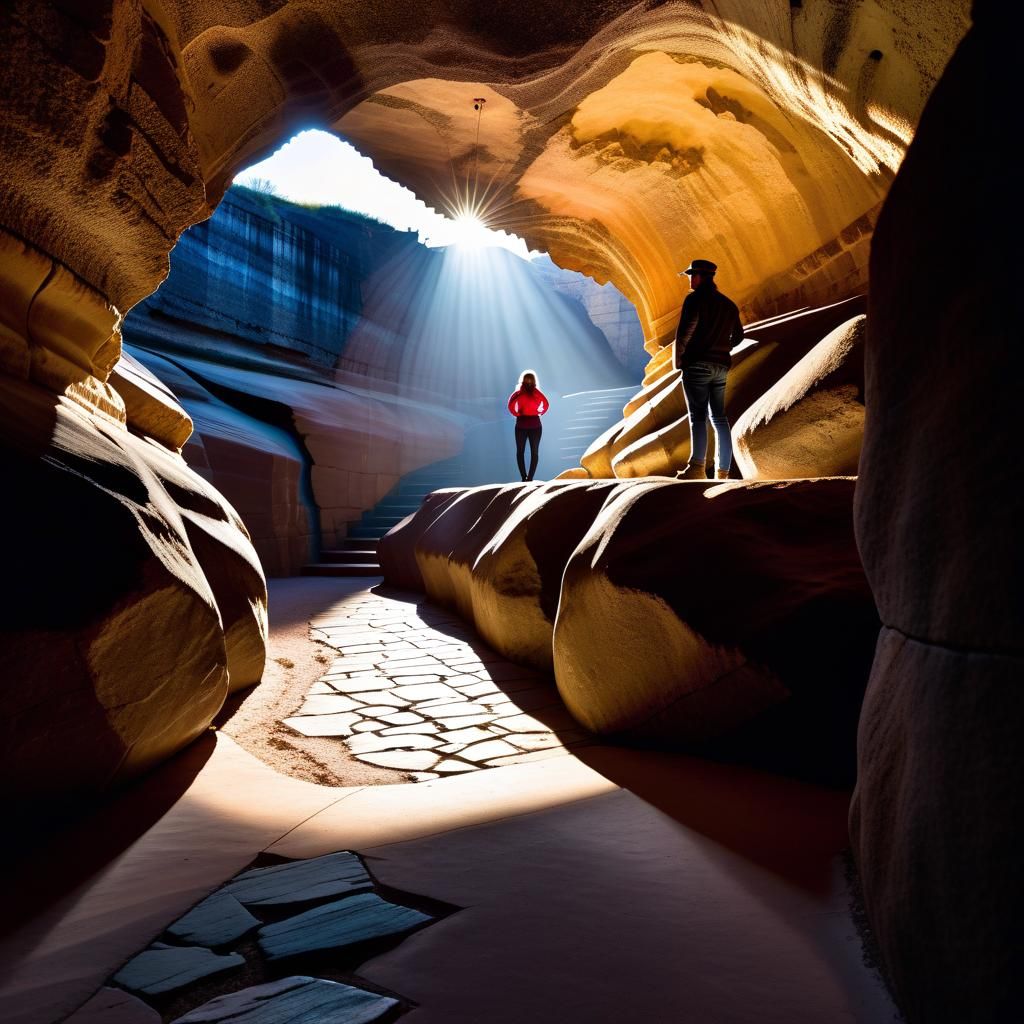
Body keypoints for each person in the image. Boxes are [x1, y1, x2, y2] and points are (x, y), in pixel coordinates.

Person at [673, 258, 744, 480]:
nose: (690, 279)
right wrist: (723, 347)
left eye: (692, 275)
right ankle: (723, 471)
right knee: (719, 418)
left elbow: (685, 332)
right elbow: (739, 336)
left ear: (700, 277)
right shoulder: (728, 305)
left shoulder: (694, 299)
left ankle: (697, 467)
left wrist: (680, 361)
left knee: (698, 416)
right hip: (721, 365)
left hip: (697, 364)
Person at [507, 370, 549, 481]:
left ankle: (527, 478)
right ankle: (526, 478)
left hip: (526, 424)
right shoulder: (526, 392)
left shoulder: (521, 393)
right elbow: (546, 404)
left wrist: (517, 414)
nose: (529, 383)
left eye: (530, 381)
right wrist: (539, 412)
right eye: (528, 381)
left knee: (526, 452)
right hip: (530, 425)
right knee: (530, 452)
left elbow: (511, 405)